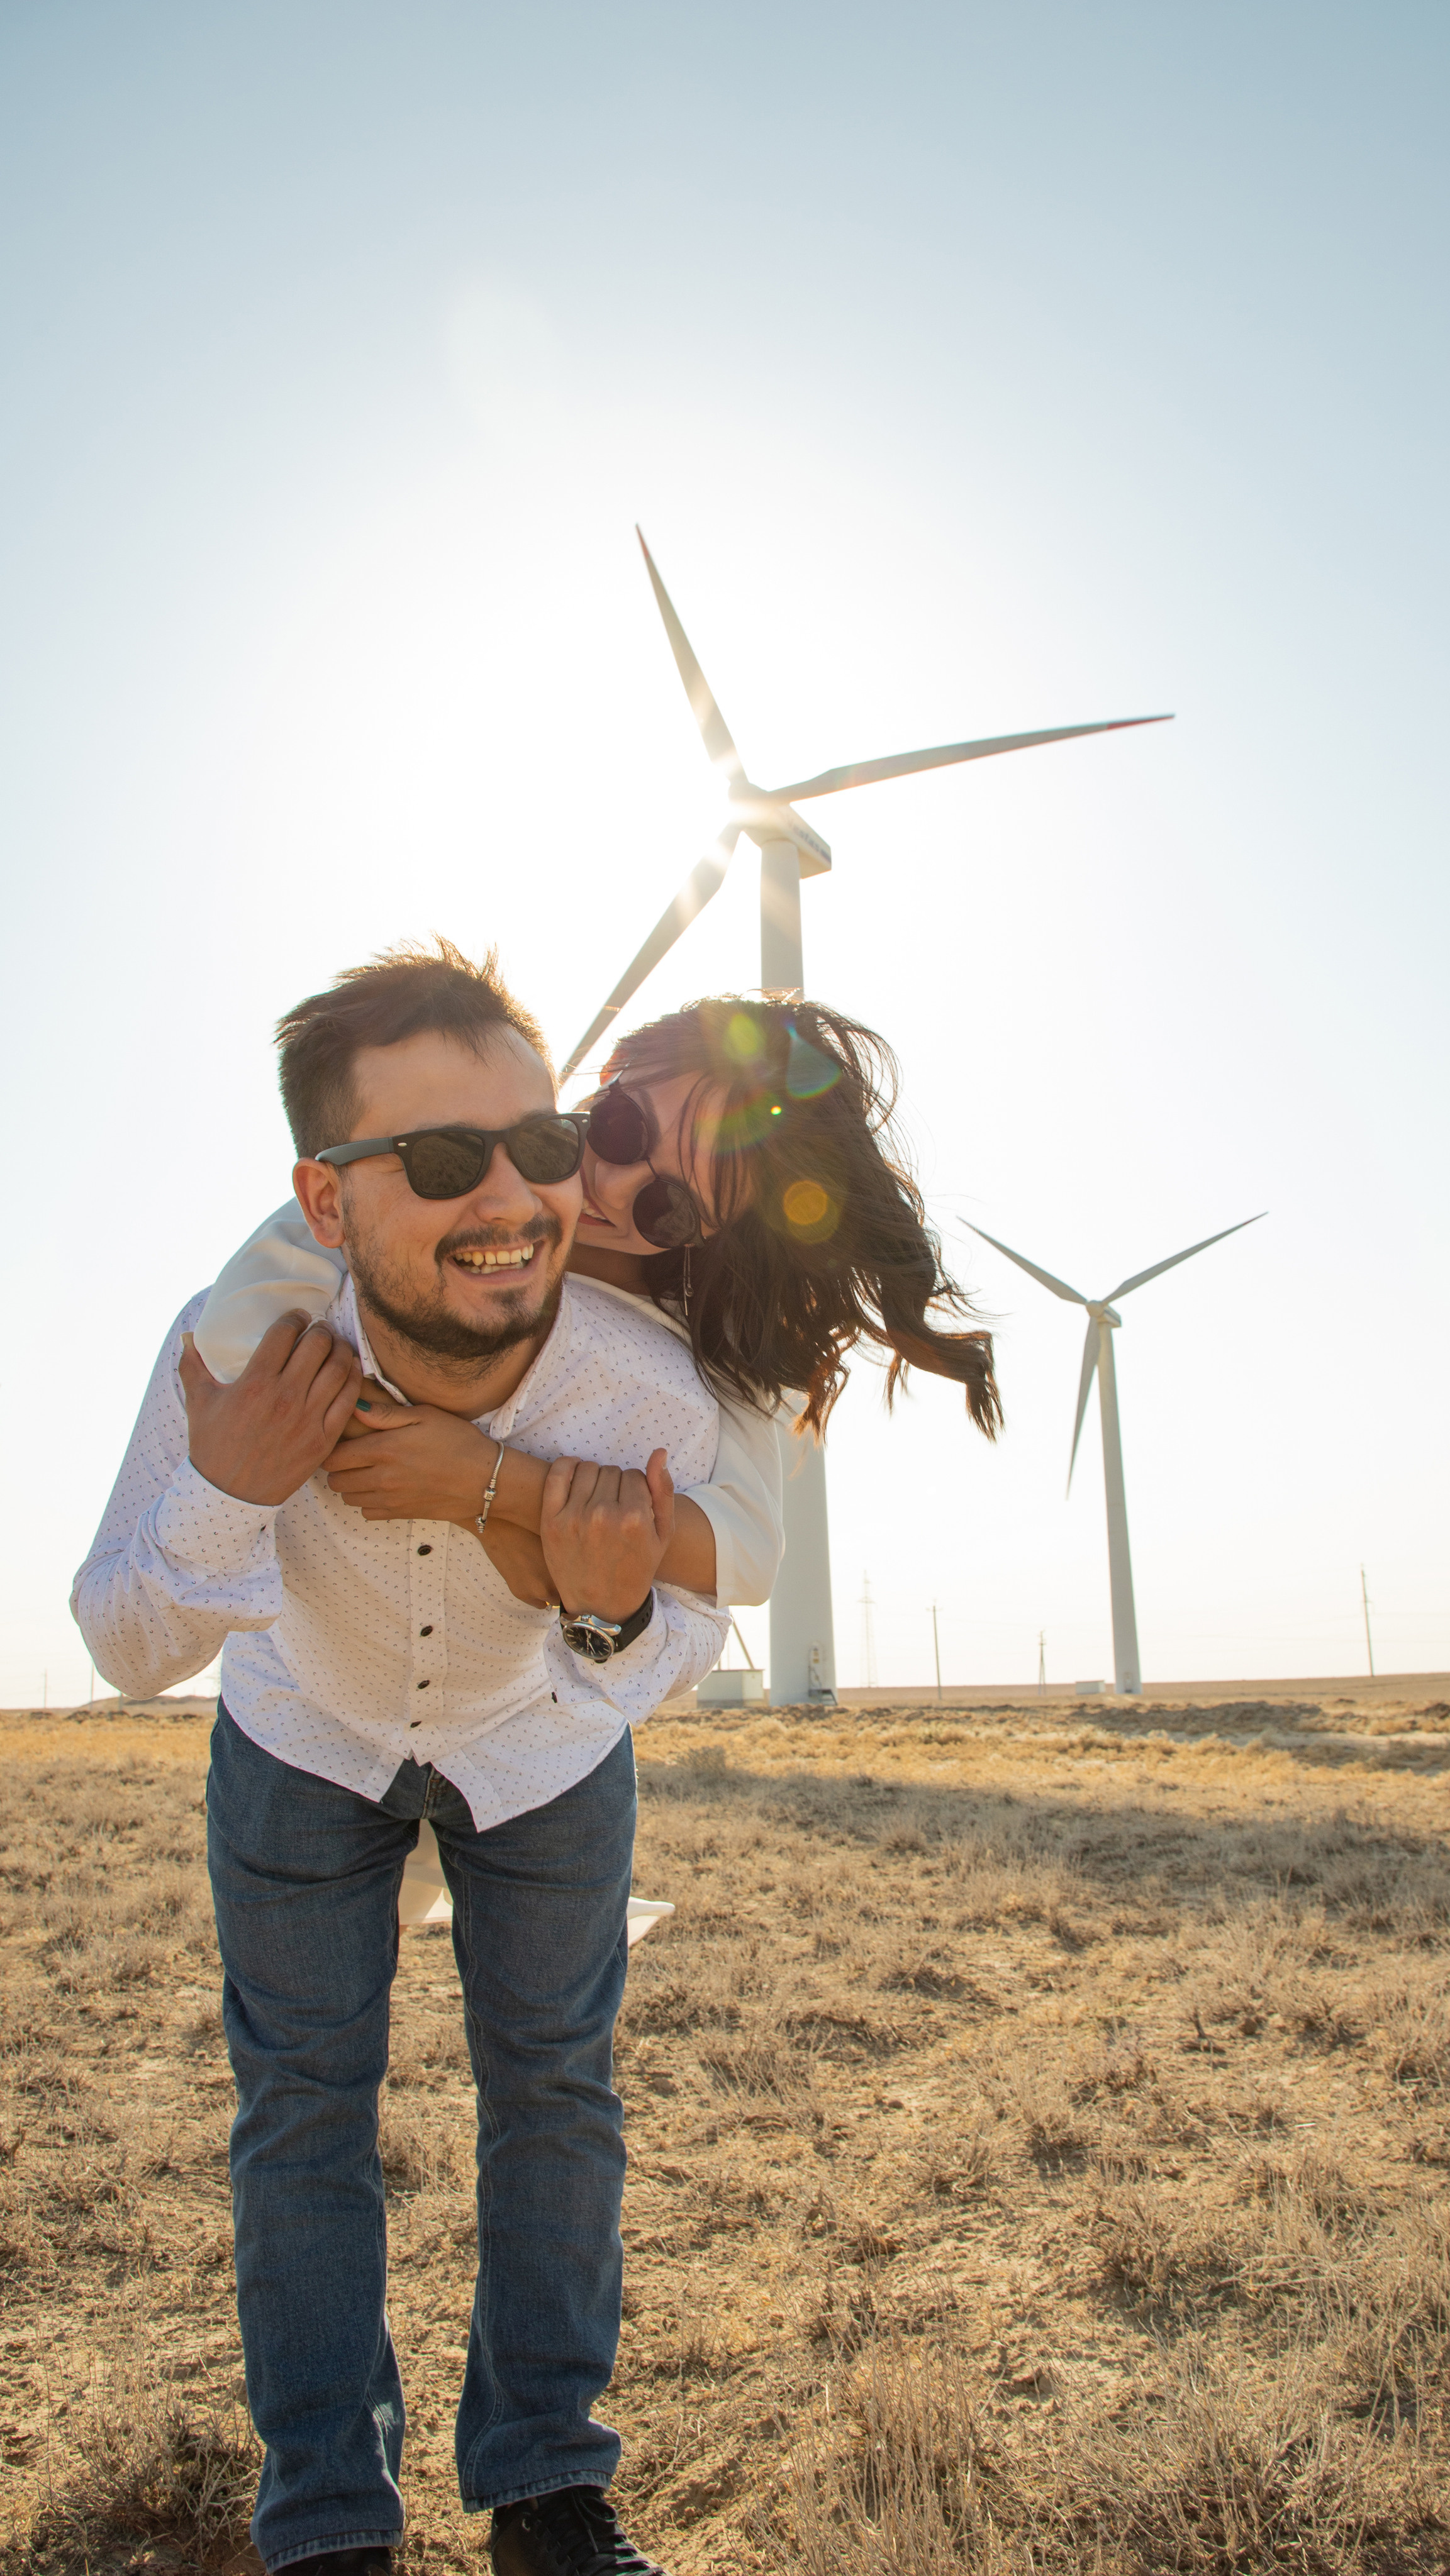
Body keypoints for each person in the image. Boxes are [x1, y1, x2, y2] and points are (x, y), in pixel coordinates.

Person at [73, 943, 744, 2576]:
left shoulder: (644, 1389)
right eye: (442, 1158)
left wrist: (602, 1609)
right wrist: (230, 1485)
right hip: (303, 1734)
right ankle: (326, 2520)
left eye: (543, 1142)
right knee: (302, 2110)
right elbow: (124, 1636)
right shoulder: (230, 1350)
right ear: (326, 1198)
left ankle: (549, 2489)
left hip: (542, 1750)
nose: (510, 1195)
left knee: (557, 2092)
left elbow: (681, 1637)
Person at [199, 991, 1003, 1629]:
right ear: (613, 1066)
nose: (612, 1190)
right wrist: (486, 1511)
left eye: (669, 1209)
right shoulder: (444, 1172)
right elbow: (233, 1338)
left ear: (712, 1235)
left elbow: (750, 1552)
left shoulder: (707, 1325)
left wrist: (489, 1489)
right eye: (621, 1129)